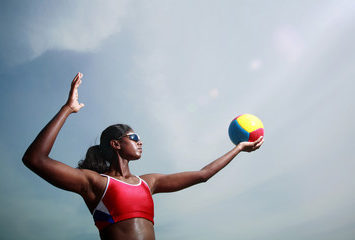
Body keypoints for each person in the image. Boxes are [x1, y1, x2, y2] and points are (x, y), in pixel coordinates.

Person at [23, 73, 264, 240]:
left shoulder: (148, 183)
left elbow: (203, 175)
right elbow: (35, 159)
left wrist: (239, 148)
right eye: (134, 137)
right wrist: (68, 109)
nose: (140, 141)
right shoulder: (95, 183)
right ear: (116, 144)